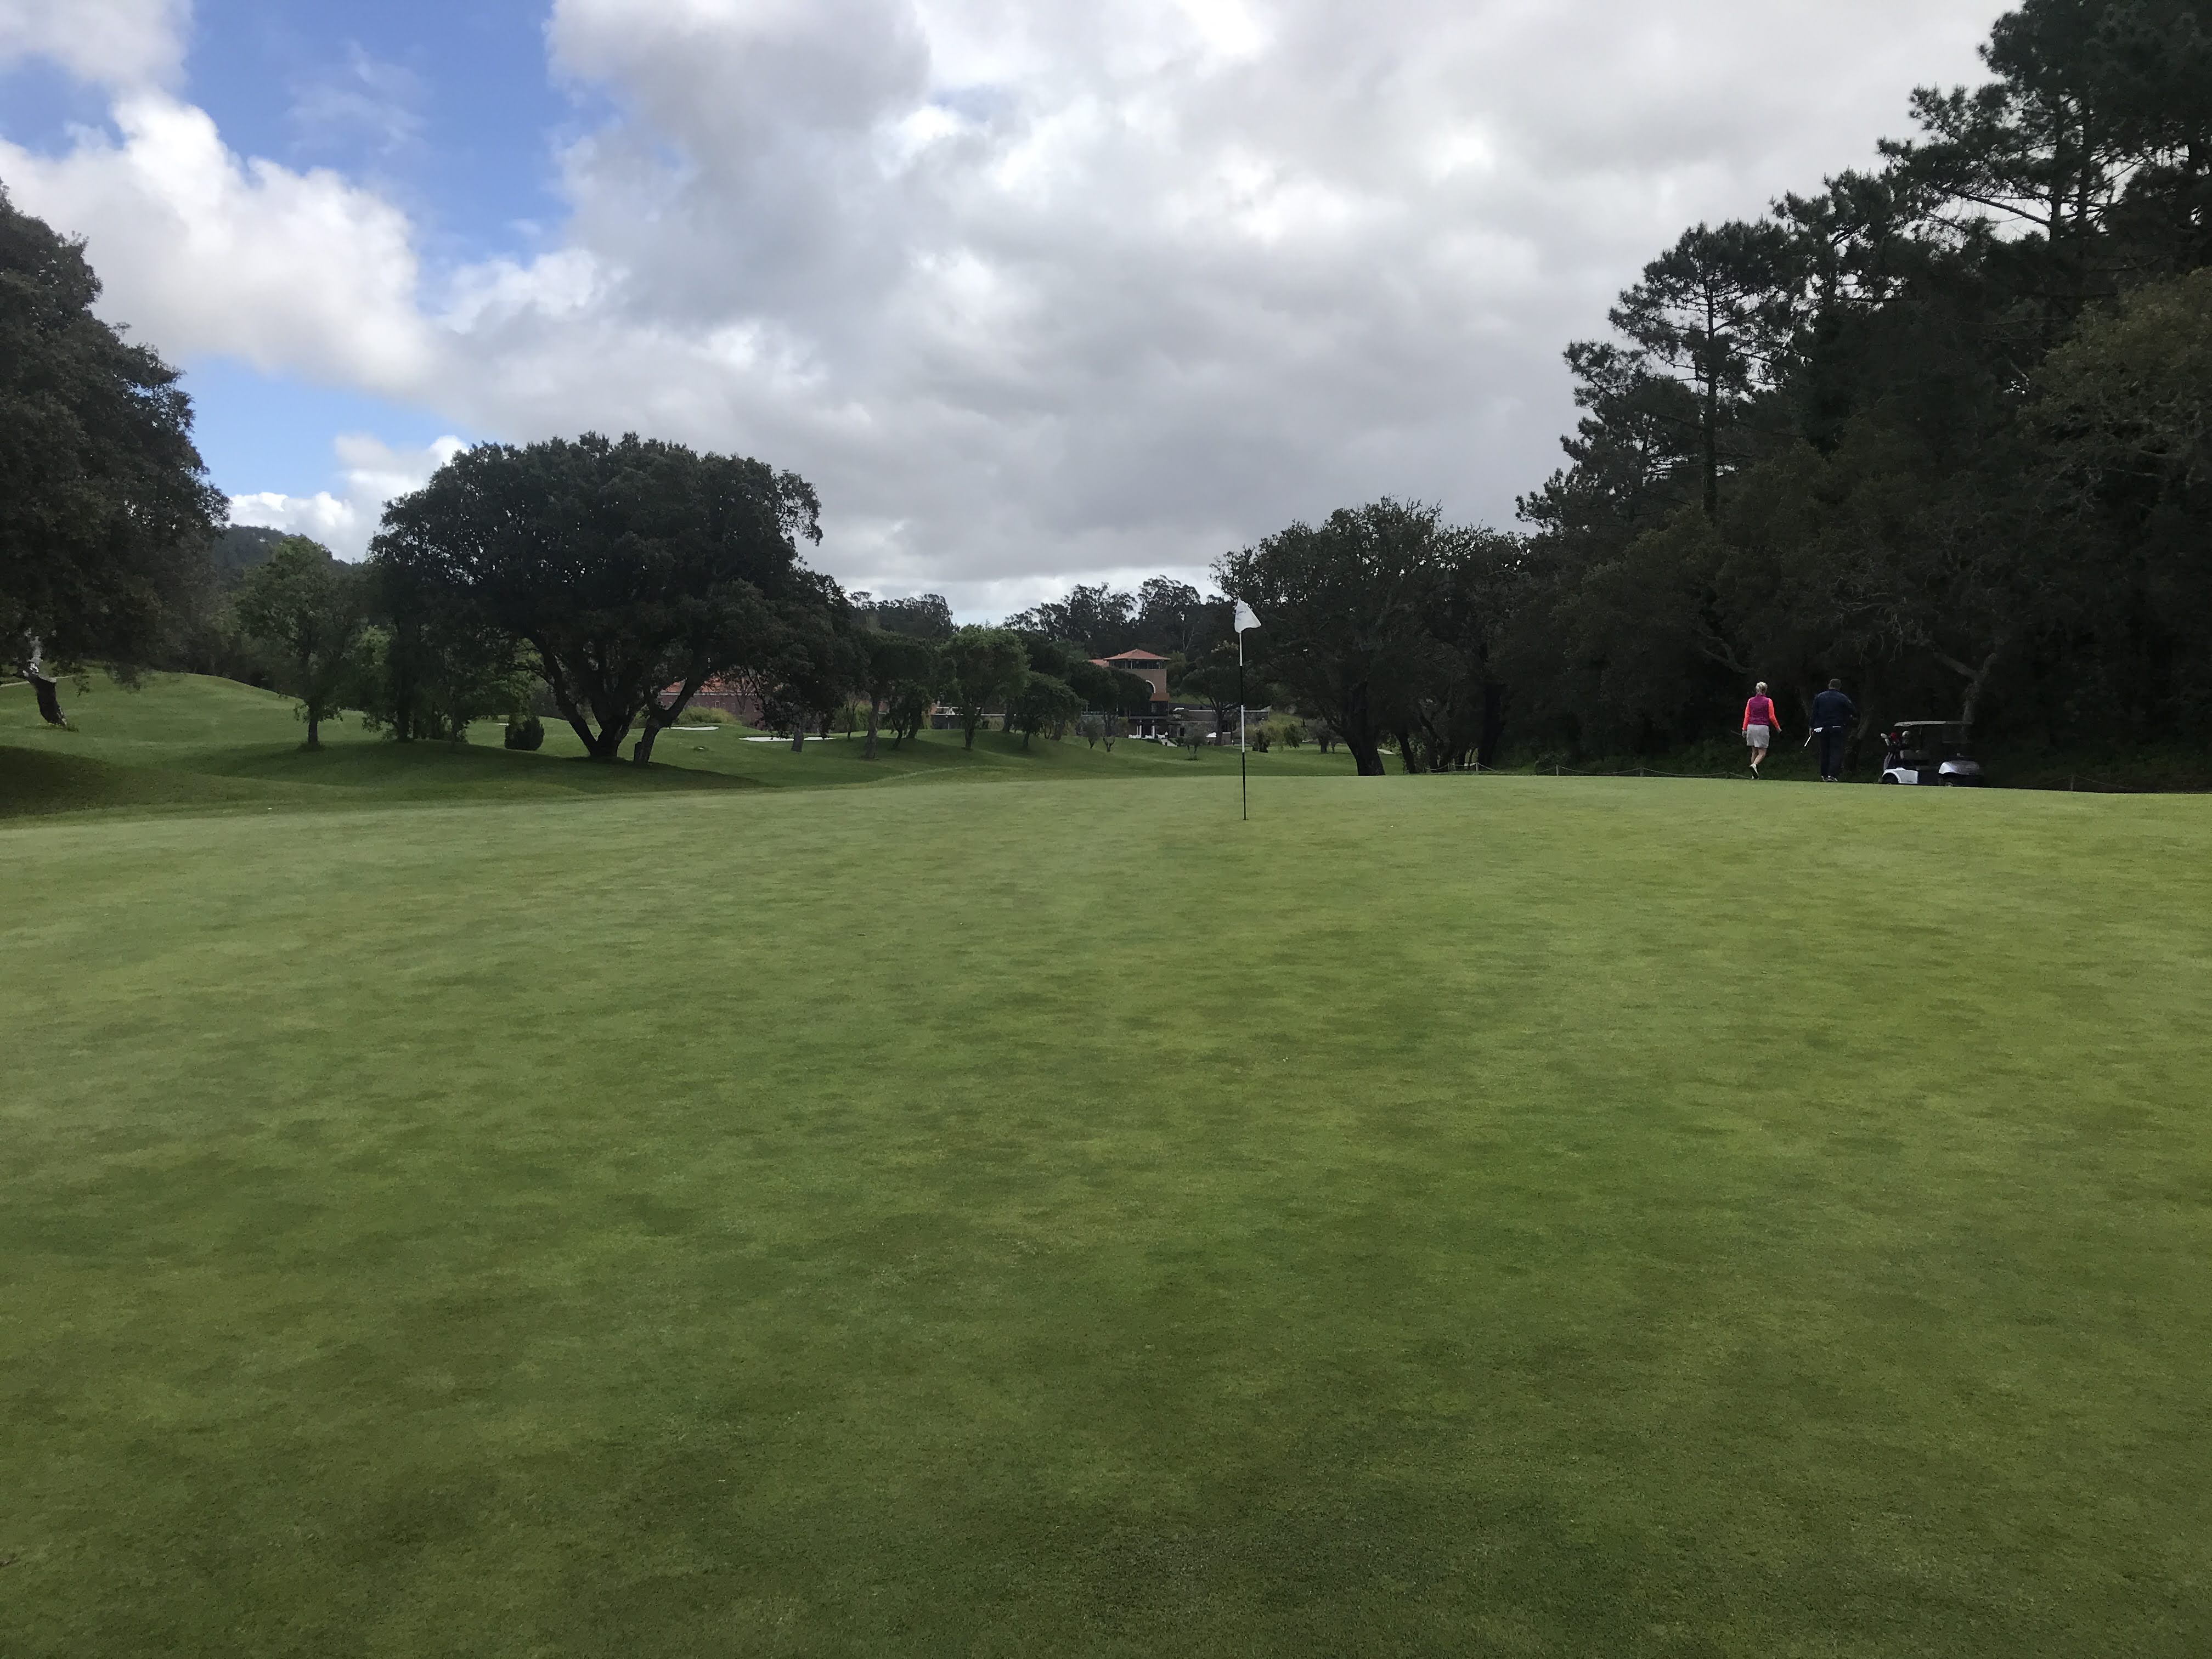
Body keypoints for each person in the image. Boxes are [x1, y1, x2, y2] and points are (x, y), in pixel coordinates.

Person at [1810, 678, 1857, 782]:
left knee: (1824, 752)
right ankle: (1832, 775)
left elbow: (1814, 713)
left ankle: (1824, 774)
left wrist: (1811, 727)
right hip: (1837, 728)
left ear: (1829, 685)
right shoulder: (1842, 698)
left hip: (1822, 729)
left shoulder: (1820, 697)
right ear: (1839, 687)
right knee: (1836, 752)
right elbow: (1853, 711)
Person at [1742, 681, 1780, 776]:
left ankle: (1753, 774)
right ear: (1765, 690)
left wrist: (1744, 728)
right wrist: (1777, 727)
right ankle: (1754, 765)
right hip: (1762, 727)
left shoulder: (1750, 701)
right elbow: (1772, 716)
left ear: (1757, 690)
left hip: (1751, 727)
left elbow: (1747, 716)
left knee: (1754, 751)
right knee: (1762, 752)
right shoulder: (1768, 701)